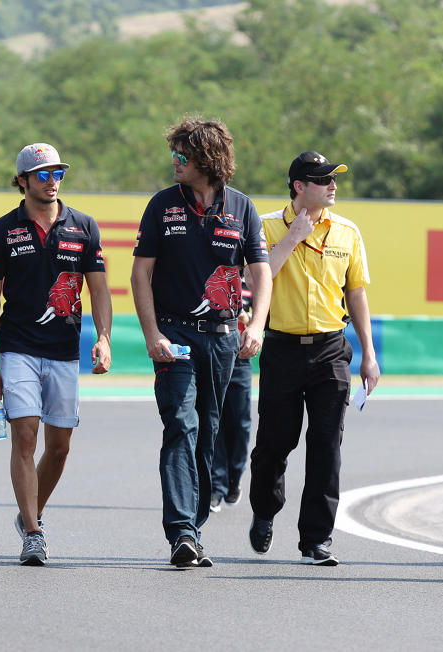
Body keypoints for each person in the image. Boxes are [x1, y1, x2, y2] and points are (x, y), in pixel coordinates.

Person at [131, 117, 271, 568]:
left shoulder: (243, 208)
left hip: (225, 339)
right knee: (180, 425)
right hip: (175, 336)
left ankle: (194, 526)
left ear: (206, 159)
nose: (174, 161)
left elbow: (262, 272)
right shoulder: (161, 206)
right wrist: (152, 334)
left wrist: (257, 326)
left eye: (181, 155)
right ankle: (183, 533)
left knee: (209, 434)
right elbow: (140, 274)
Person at [0, 143, 112, 566]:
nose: (52, 182)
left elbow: (100, 289)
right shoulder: (1, 230)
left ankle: (27, 513)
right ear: (21, 181)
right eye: (42, 175)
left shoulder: (84, 226)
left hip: (64, 351)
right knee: (24, 436)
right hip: (17, 348)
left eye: (57, 174)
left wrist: (104, 337)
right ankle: (34, 533)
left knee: (59, 448)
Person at [248, 151, 380, 566]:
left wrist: (368, 355)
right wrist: (291, 239)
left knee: (326, 445)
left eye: (333, 179)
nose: (332, 186)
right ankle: (265, 511)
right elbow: (254, 283)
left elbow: (356, 293)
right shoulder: (265, 226)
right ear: (299, 186)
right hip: (282, 347)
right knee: (274, 444)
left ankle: (316, 540)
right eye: (323, 180)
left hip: (330, 350)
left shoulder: (347, 231)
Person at [210, 281, 253, 513]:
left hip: (241, 358)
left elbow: (264, 316)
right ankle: (216, 487)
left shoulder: (251, 283)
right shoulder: (214, 279)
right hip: (214, 353)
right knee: (215, 420)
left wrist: (249, 318)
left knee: (240, 423)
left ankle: (235, 476)